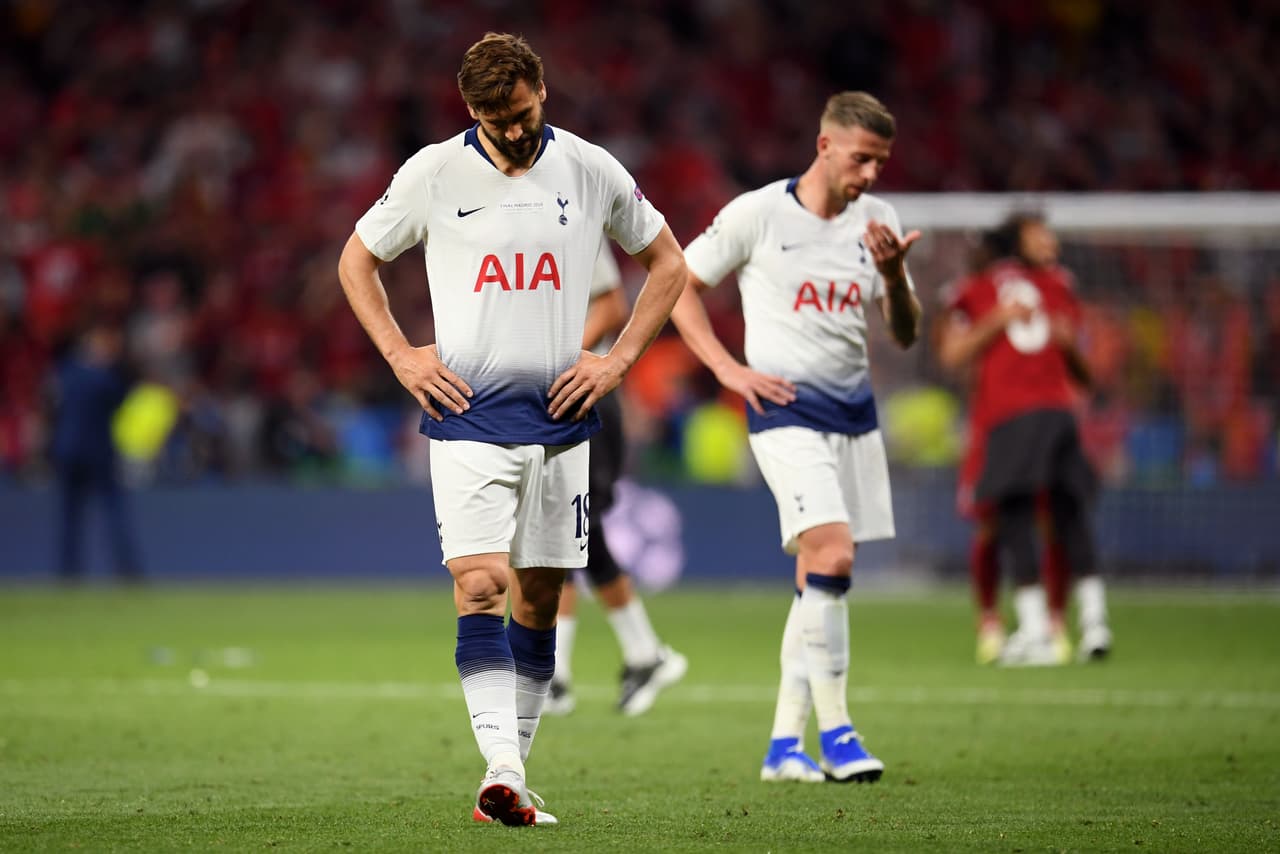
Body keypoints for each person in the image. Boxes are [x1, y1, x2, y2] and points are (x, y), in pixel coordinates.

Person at [336, 33, 687, 826]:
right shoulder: (433, 173)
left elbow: (668, 263)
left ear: (542, 91)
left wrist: (617, 362)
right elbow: (356, 261)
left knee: (540, 595)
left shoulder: (591, 168)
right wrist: (401, 355)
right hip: (466, 417)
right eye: (496, 120)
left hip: (563, 420)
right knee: (480, 584)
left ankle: (513, 779)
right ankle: (500, 767)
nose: (514, 130)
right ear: (470, 109)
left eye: (523, 113)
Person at [670, 92, 922, 784]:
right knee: (833, 554)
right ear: (824, 146)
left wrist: (894, 278)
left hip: (854, 415)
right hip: (783, 410)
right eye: (862, 158)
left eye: (880, 162)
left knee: (818, 576)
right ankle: (838, 734)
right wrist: (726, 368)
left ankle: (785, 746)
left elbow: (904, 332)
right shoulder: (758, 214)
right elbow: (676, 284)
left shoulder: (879, 220)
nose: (871, 174)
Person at [939, 212, 1113, 667]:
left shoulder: (978, 289)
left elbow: (952, 355)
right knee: (1066, 513)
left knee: (1014, 517)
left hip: (1008, 416)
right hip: (1055, 413)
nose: (1050, 244)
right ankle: (1090, 621)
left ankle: (1036, 627)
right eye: (1040, 236)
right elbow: (1082, 369)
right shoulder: (1057, 285)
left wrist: (993, 321)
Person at [545, 240, 688, 718]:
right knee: (565, 530)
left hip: (587, 391)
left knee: (573, 528)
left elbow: (611, 305)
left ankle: (562, 673)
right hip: (554, 395)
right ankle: (629, 658)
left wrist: (561, 359)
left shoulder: (574, 225)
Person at [49, 321, 145, 583]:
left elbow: (54, 405)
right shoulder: (104, 378)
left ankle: (69, 572)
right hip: (97, 452)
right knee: (113, 511)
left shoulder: (67, 372)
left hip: (68, 450)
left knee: (71, 516)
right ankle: (126, 570)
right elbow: (121, 399)